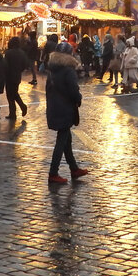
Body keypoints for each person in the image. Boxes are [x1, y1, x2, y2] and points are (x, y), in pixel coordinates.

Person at [46, 42, 88, 184]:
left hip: (54, 107)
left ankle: (74, 169)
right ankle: (53, 172)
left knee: (66, 140)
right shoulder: (68, 70)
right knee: (61, 141)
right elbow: (73, 90)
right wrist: (78, 99)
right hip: (65, 108)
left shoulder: (52, 69)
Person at [3, 37, 29, 120]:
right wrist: (19, 70)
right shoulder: (22, 53)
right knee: (14, 93)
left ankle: (14, 112)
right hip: (17, 76)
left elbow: (5, 65)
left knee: (10, 95)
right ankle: (18, 109)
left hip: (9, 76)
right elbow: (25, 64)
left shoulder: (8, 53)